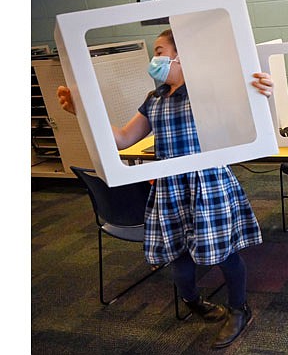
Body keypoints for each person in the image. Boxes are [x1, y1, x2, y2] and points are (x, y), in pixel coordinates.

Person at [57, 29, 274, 349]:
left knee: (225, 254)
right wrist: (83, 112)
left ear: (181, 56)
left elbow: (246, 114)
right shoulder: (155, 98)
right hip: (170, 187)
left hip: (207, 185)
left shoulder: (206, 92)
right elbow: (122, 139)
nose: (154, 58)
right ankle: (193, 301)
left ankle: (239, 308)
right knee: (179, 258)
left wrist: (262, 91)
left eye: (160, 50)